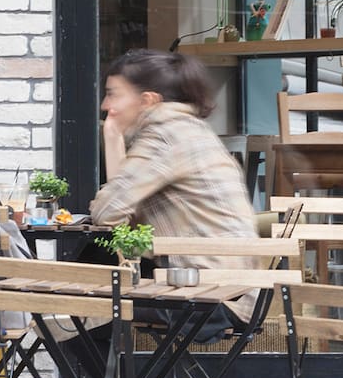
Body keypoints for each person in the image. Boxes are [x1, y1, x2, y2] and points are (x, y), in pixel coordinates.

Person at [89, 50, 256, 271]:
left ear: (147, 100)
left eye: (113, 94)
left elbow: (106, 212)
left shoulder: (165, 136)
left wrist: (112, 140)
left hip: (206, 281)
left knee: (90, 259)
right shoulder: (186, 128)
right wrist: (113, 139)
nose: (104, 105)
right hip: (225, 275)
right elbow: (121, 217)